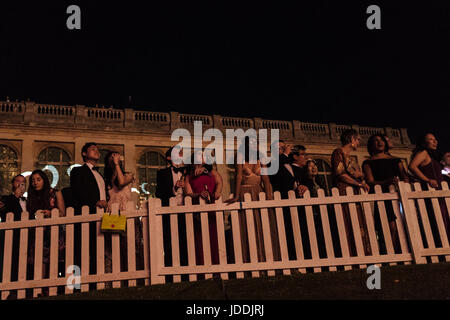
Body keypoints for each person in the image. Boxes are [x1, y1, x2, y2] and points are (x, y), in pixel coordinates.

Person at [226, 136, 280, 263]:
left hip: (258, 193)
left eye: (256, 142)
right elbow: (239, 176)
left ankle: (266, 257)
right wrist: (237, 195)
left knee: (262, 224)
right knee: (247, 224)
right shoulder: (240, 156)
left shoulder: (261, 157)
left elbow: (266, 178)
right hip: (245, 192)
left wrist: (268, 195)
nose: (254, 144)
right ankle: (248, 258)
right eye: (251, 142)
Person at [362, 134, 410, 253]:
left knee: (403, 224)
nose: (379, 142)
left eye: (381, 140)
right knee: (388, 226)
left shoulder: (395, 160)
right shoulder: (368, 162)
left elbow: (404, 176)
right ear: (371, 145)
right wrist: (387, 182)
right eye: (375, 141)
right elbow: (370, 181)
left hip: (398, 196)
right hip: (381, 197)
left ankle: (403, 250)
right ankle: (390, 251)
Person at [70, 142, 108, 278]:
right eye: (93, 149)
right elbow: (77, 191)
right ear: (84, 154)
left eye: (97, 149)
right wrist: (94, 202)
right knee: (83, 250)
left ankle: (95, 279)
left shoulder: (99, 174)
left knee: (98, 249)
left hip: (102, 215)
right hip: (87, 214)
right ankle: (79, 283)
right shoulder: (78, 171)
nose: (97, 151)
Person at [331, 129, 371, 256]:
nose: (359, 142)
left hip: (353, 191)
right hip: (344, 191)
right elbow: (340, 174)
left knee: (358, 221)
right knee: (348, 221)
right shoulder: (338, 152)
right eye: (358, 139)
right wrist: (359, 183)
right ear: (352, 140)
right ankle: (351, 253)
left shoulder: (350, 158)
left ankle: (362, 251)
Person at [26, 170, 65, 296]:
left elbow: (62, 212)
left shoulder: (54, 192)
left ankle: (51, 289)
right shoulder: (31, 196)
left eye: (38, 179)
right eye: (32, 180)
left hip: (53, 231)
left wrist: (50, 213)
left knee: (53, 259)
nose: (35, 183)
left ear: (44, 180)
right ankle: (40, 289)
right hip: (37, 232)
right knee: (40, 259)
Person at [184, 149, 223, 268]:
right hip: (197, 210)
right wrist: (199, 194)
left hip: (211, 207)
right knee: (199, 238)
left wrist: (217, 192)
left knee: (213, 237)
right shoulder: (189, 176)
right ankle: (201, 266)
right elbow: (188, 193)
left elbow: (220, 183)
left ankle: (216, 265)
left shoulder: (212, 172)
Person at [155, 146, 188, 280]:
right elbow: (158, 194)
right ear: (169, 158)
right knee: (169, 242)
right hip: (169, 212)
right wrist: (174, 188)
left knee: (185, 242)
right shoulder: (162, 173)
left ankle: (186, 272)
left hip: (186, 211)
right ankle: (170, 274)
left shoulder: (188, 171)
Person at [103, 152, 137, 284]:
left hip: (125, 213)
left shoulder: (129, 175)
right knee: (110, 249)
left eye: (117, 157)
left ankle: (128, 279)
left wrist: (117, 164)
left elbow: (122, 182)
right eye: (112, 157)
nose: (115, 158)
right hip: (112, 214)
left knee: (126, 248)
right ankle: (111, 280)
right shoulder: (107, 179)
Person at [409, 133, 450, 240]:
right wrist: (427, 180)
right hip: (432, 192)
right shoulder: (424, 153)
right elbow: (412, 166)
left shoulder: (432, 156)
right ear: (424, 142)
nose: (435, 141)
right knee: (438, 221)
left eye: (435, 139)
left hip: (439, 192)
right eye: (431, 139)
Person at [0, 175, 27, 299]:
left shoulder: (28, 201)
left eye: (23, 182)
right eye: (18, 181)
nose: (21, 184)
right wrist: (15, 196)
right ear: (12, 183)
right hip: (11, 239)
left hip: (27, 238)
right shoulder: (6, 199)